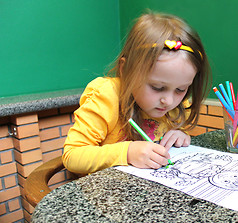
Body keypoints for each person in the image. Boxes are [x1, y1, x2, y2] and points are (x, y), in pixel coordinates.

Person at [63, 12, 212, 175]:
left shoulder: (177, 106)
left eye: (181, 89)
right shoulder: (106, 97)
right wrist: (127, 152)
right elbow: (72, 156)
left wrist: (180, 136)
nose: (169, 101)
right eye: (157, 87)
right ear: (125, 70)